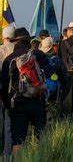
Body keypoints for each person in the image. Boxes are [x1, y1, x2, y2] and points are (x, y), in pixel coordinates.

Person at [1, 27, 55, 157]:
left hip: (18, 104)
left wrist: (8, 106)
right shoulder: (38, 55)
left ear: (15, 42)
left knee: (18, 141)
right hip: (38, 101)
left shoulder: (9, 60)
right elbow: (51, 74)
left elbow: (4, 87)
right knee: (40, 138)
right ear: (29, 41)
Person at [39, 37, 69, 121]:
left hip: (41, 92)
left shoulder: (39, 59)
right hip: (55, 93)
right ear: (52, 47)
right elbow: (64, 78)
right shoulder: (57, 60)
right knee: (54, 115)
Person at [0, 26, 14, 156]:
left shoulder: (0, 50)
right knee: (9, 126)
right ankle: (7, 155)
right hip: (13, 93)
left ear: (3, 37)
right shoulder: (18, 51)